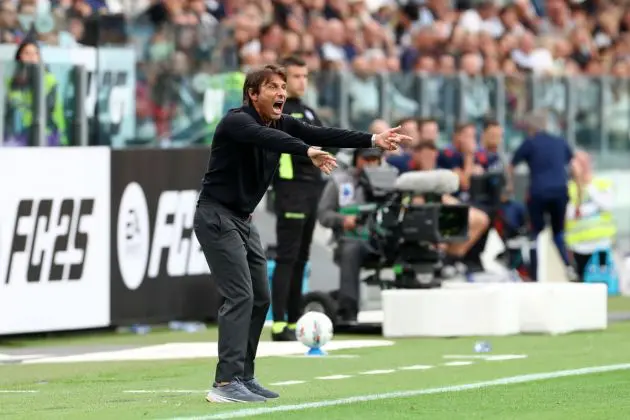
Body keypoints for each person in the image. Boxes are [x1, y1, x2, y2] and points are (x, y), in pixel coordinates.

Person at [194, 64, 410, 404]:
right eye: (272, 87)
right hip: (216, 216)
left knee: (260, 297)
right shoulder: (237, 121)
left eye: (283, 87)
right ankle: (224, 383)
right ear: (253, 94)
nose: (281, 93)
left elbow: (325, 134)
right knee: (240, 296)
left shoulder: (281, 122)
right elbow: (269, 138)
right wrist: (305, 149)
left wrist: (373, 140)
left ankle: (244, 376)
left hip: (241, 220)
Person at [270, 55, 325, 342]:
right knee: (286, 257)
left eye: (305, 76)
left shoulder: (309, 112)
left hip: (312, 191)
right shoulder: (279, 113)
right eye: (296, 76)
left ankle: (294, 319)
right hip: (291, 191)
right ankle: (279, 324)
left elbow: (326, 143)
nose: (302, 82)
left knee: (302, 258)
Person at [506, 110, 577, 281]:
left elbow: (511, 165)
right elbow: (573, 167)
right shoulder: (560, 142)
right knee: (558, 232)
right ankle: (569, 267)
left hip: (538, 193)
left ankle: (534, 274)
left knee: (535, 233)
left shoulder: (530, 143)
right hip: (560, 192)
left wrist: (509, 187)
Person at [317, 147, 386, 322]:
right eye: (366, 159)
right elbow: (323, 214)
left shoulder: (389, 182)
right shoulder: (340, 182)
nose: (370, 164)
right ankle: (348, 310)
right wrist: (342, 220)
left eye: (374, 160)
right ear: (356, 159)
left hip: (384, 239)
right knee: (351, 249)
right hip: (352, 238)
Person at [565, 150, 617, 281]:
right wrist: (579, 183)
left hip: (602, 244)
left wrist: (588, 186)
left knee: (603, 283)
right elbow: (572, 214)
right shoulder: (570, 187)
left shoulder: (602, 183)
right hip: (579, 246)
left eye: (584, 162)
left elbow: (607, 204)